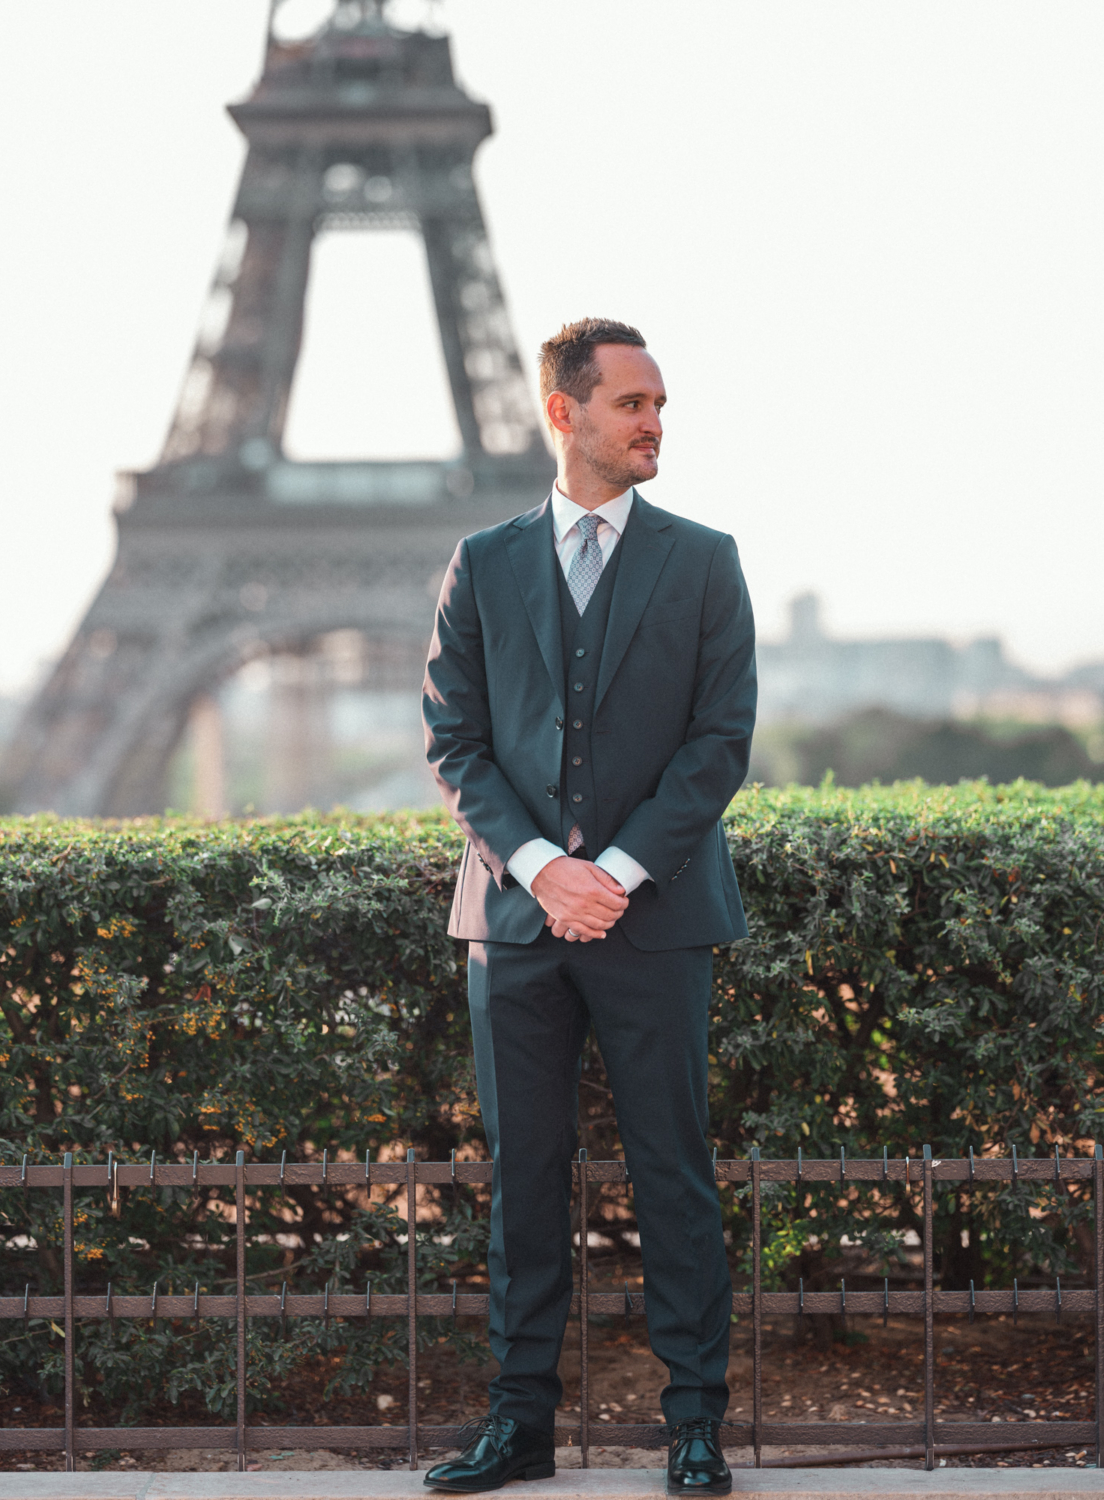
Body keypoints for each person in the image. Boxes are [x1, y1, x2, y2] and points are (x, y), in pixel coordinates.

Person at [421, 317, 756, 1494]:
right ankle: (520, 1425)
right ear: (565, 414)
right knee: (524, 1175)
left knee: (673, 1168)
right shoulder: (484, 560)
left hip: (653, 915)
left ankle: (695, 1426)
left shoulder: (705, 559)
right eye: (632, 403)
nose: (655, 422)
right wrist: (534, 864)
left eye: (660, 404)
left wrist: (608, 874)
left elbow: (720, 746)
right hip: (511, 922)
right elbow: (455, 741)